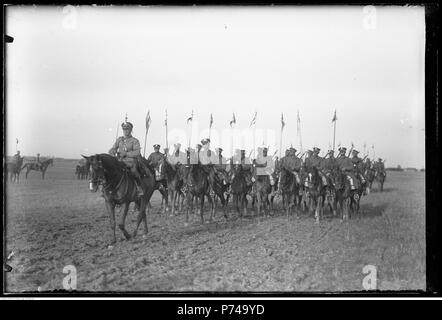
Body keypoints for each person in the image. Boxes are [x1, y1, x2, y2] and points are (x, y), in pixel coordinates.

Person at [109, 121, 145, 196]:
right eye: (124, 129)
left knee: (134, 171)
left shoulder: (134, 141)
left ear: (131, 130)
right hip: (119, 161)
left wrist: (125, 154)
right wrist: (112, 151)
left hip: (131, 162)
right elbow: (113, 148)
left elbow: (137, 152)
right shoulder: (119, 139)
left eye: (127, 129)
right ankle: (110, 189)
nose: (126, 131)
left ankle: (139, 188)